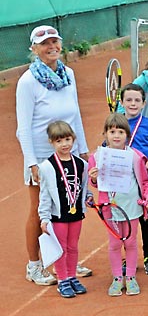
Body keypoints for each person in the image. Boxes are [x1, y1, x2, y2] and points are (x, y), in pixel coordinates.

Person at [16, 25, 92, 286]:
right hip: (42, 159)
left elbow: (75, 116)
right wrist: (31, 163)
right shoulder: (27, 82)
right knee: (40, 212)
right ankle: (34, 265)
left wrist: (83, 150)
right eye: (45, 44)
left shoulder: (68, 74)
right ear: (34, 49)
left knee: (69, 209)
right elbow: (22, 128)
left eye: (54, 42)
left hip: (69, 155)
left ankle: (66, 261)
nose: (51, 47)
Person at [87, 114, 148, 296]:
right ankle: (118, 278)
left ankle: (131, 277)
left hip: (131, 207)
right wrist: (93, 179)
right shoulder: (96, 157)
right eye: (112, 132)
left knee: (131, 242)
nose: (116, 135)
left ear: (127, 134)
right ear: (105, 134)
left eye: (120, 132)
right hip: (109, 208)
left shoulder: (135, 156)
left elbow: (145, 182)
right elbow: (95, 184)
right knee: (114, 244)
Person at [38, 122, 90, 298]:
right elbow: (44, 194)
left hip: (75, 213)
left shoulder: (81, 164)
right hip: (57, 215)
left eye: (67, 139)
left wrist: (88, 198)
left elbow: (83, 187)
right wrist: (44, 218)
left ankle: (72, 275)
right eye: (59, 141)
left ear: (73, 139)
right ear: (51, 142)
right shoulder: (47, 167)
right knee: (62, 249)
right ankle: (62, 279)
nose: (64, 144)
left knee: (73, 246)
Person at [119, 83, 148, 275]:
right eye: (128, 100)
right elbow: (107, 147)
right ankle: (126, 257)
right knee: (124, 219)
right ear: (122, 103)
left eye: (137, 100)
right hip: (125, 182)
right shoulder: (116, 124)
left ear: (143, 103)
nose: (133, 103)